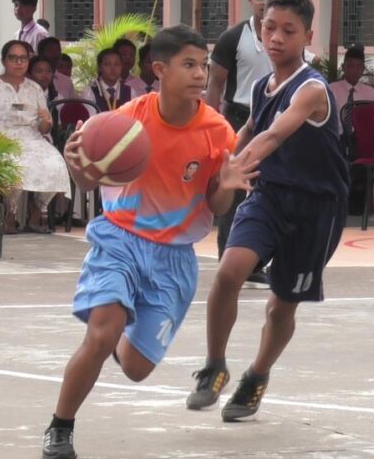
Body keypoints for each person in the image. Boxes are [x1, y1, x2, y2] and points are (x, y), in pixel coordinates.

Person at [41, 25, 257, 459]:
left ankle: (128, 340)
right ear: (160, 70)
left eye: (203, 65)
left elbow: (215, 207)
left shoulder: (217, 132)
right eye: (189, 65)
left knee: (137, 369)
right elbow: (89, 178)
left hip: (175, 257)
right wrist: (76, 162)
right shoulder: (126, 120)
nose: (200, 74)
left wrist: (228, 185)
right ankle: (60, 428)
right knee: (102, 334)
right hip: (120, 238)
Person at [187, 0, 349, 423]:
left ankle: (257, 375)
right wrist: (218, 166)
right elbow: (252, 128)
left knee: (281, 305)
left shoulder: (311, 89)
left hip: (317, 207)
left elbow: (275, 133)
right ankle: (214, 365)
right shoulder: (262, 84)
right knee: (228, 272)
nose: (276, 37)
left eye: (288, 30)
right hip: (270, 195)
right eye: (269, 27)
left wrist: (235, 165)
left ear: (307, 36)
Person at [205, 0, 283, 290]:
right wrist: (211, 123)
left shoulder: (283, 36)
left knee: (272, 191)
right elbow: (215, 83)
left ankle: (258, 261)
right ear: (250, 0)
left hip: (277, 120)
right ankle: (229, 258)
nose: (266, 3)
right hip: (240, 118)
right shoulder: (234, 37)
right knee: (236, 190)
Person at [0, 40, 70, 234]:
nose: (19, 62)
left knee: (56, 162)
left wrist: (47, 120)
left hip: (32, 138)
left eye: (23, 58)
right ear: (4, 60)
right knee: (15, 161)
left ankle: (36, 214)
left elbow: (44, 128)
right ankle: (9, 215)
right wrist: (2, 141)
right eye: (13, 58)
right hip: (1, 137)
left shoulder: (34, 88)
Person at [80, 48, 133, 113]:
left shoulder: (130, 91)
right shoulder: (90, 92)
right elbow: (91, 120)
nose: (113, 68)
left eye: (116, 64)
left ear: (121, 67)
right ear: (99, 67)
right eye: (107, 64)